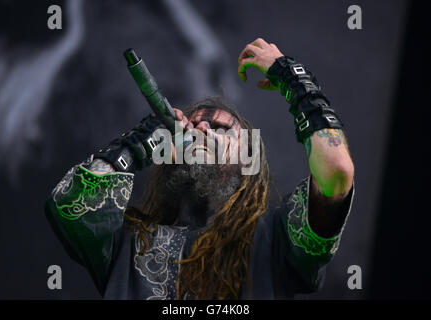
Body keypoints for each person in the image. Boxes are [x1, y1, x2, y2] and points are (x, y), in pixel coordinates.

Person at [45, 38, 355, 299]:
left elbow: (337, 173)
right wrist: (137, 145)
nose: (201, 129)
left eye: (219, 128)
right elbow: (69, 205)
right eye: (192, 126)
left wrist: (293, 79)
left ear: (247, 157)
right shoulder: (128, 242)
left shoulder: (274, 239)